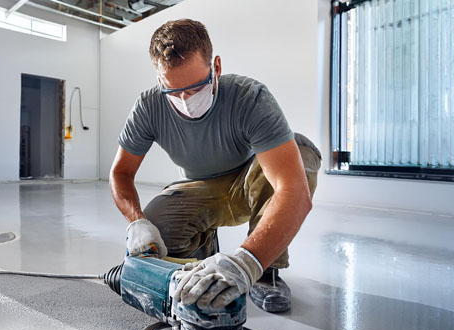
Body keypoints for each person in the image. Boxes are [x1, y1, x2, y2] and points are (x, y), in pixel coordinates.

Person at [109, 19, 321, 313]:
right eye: (173, 91)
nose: (185, 100)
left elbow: (294, 190)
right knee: (159, 226)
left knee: (302, 153)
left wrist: (248, 261)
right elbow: (120, 172)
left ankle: (266, 271)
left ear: (216, 67)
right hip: (201, 187)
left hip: (251, 180)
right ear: (160, 80)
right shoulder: (148, 106)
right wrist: (137, 221)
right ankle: (202, 257)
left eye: (196, 88)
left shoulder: (250, 98)